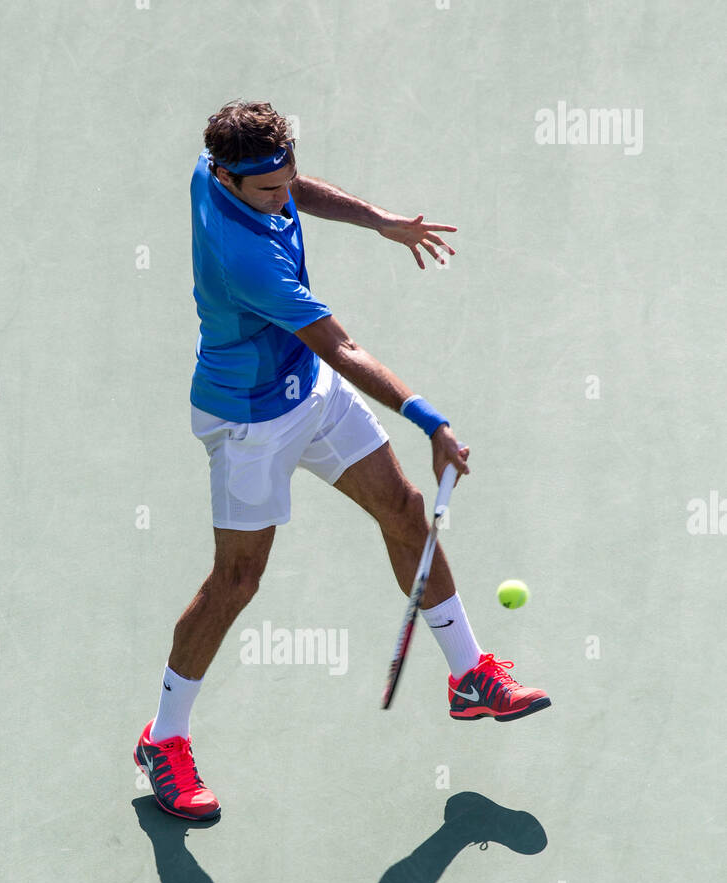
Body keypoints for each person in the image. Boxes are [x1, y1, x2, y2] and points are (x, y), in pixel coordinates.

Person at [135, 100, 550, 821]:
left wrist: (378, 219)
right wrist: (428, 418)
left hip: (310, 393)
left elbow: (298, 188)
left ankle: (468, 676)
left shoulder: (227, 169)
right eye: (264, 191)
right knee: (237, 581)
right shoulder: (246, 259)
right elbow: (344, 348)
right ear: (226, 181)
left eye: (284, 178)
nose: (280, 196)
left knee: (406, 510)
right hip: (247, 421)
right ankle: (162, 738)